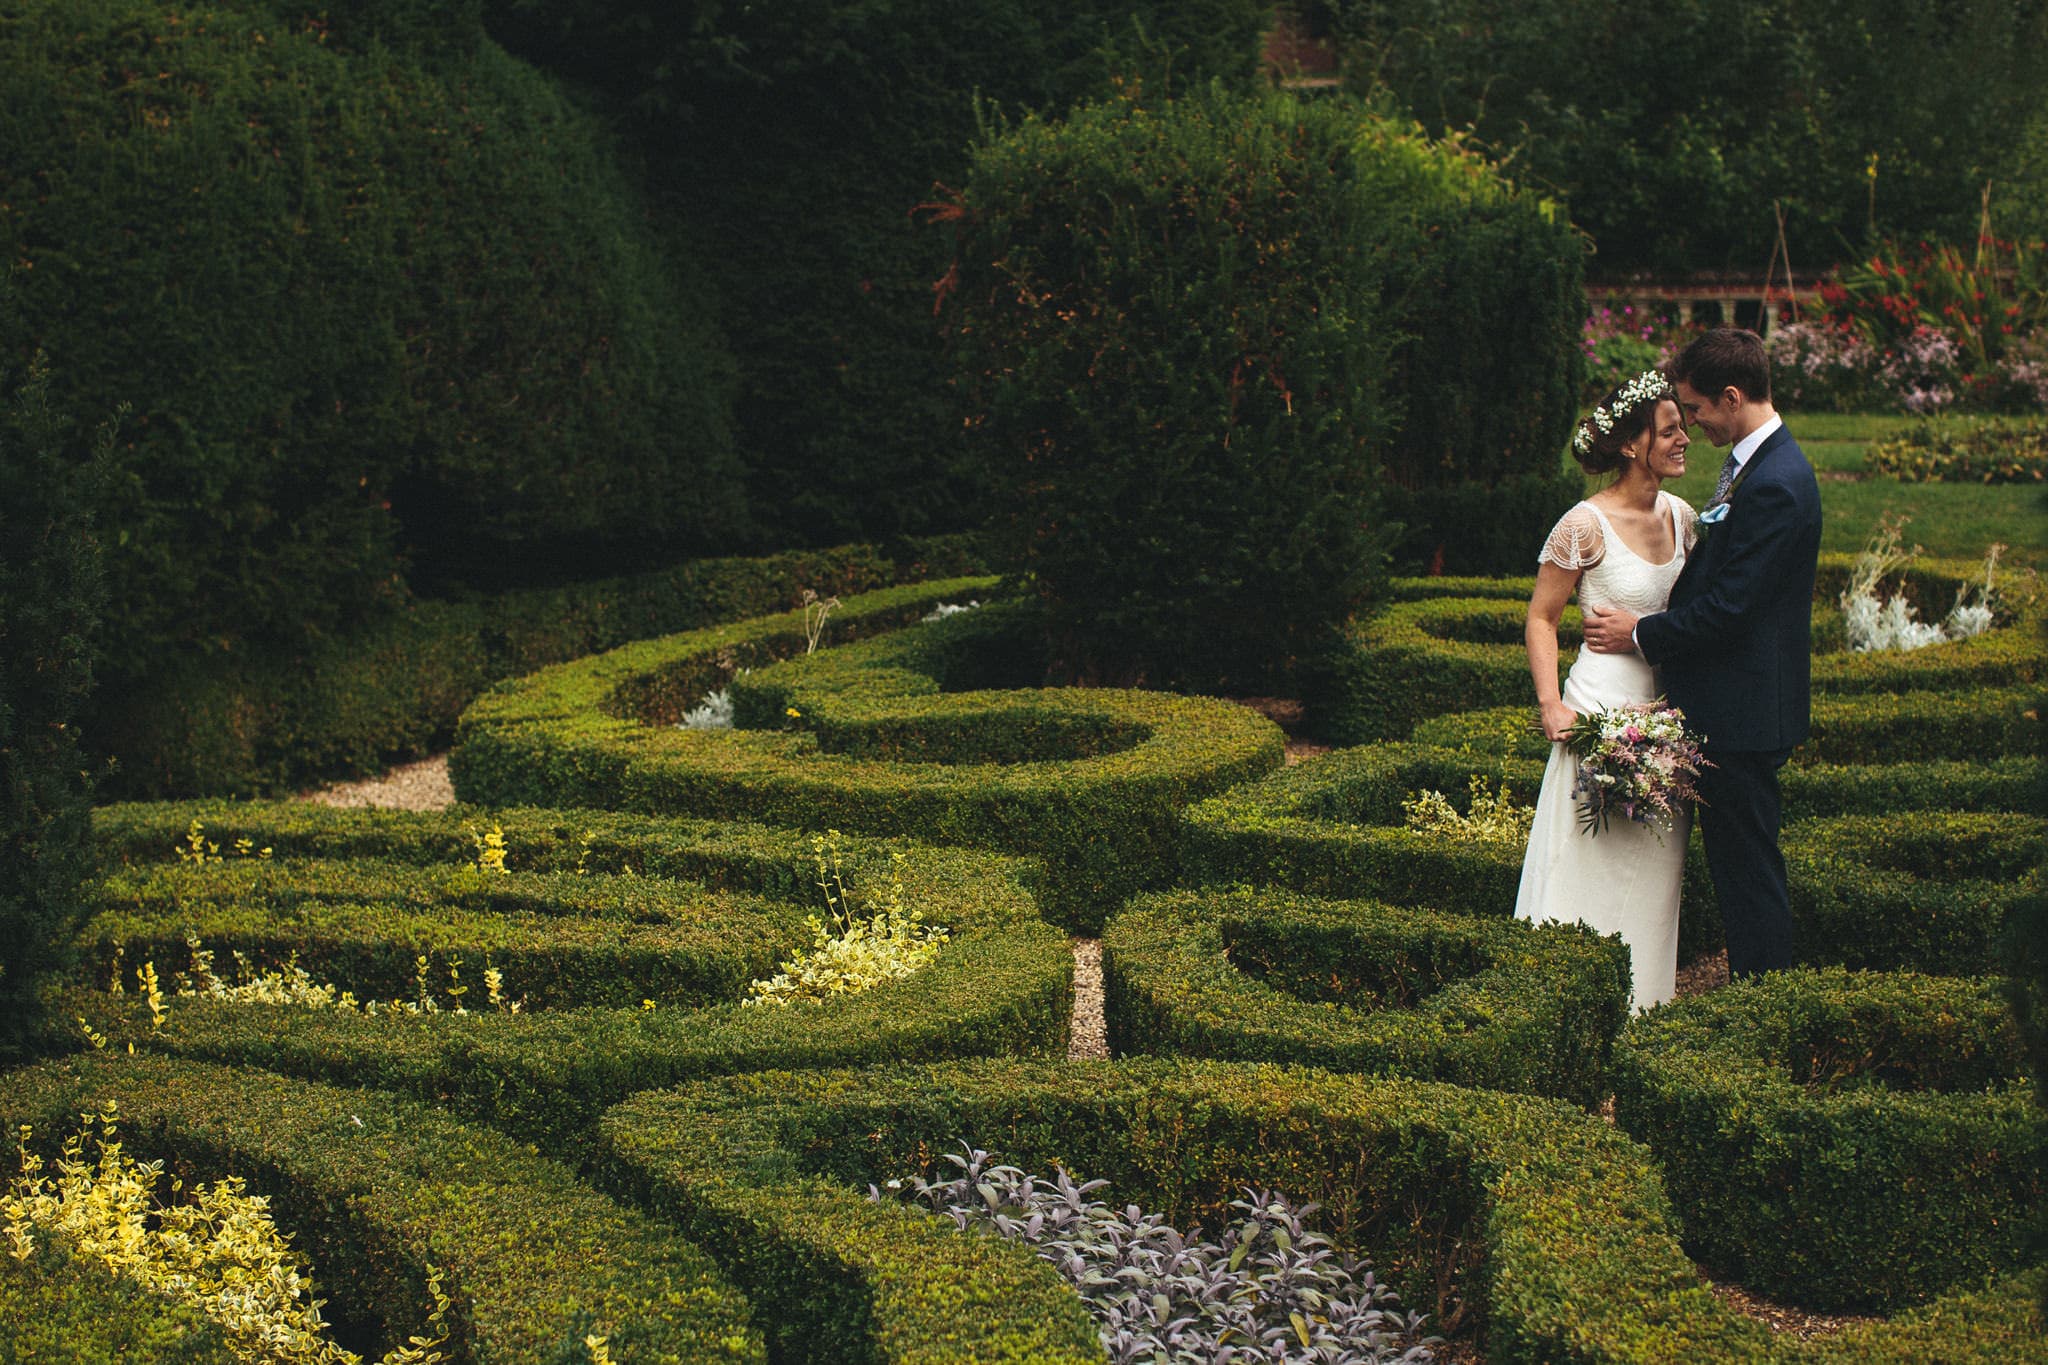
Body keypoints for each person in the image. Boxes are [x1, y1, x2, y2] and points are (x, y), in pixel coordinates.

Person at [1581, 327, 1822, 982]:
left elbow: (1732, 610)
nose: (1692, 423)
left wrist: (1639, 632)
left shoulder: (1775, 481)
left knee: (1749, 874)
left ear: (1732, 396)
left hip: (1744, 715)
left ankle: (1763, 999)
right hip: (1737, 706)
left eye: (1696, 409)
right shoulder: (1757, 465)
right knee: (1740, 869)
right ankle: (1756, 990)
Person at [1515, 370, 1695, 1011]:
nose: (1683, 441)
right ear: (1629, 444)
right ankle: (1560, 1006)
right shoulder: (1583, 526)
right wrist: (1550, 705)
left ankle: (1645, 1007)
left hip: (1665, 721)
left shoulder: (1685, 519)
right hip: (1596, 709)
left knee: (1653, 864)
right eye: (1670, 431)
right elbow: (1542, 617)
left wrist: (1646, 631)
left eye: (1683, 428)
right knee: (1586, 858)